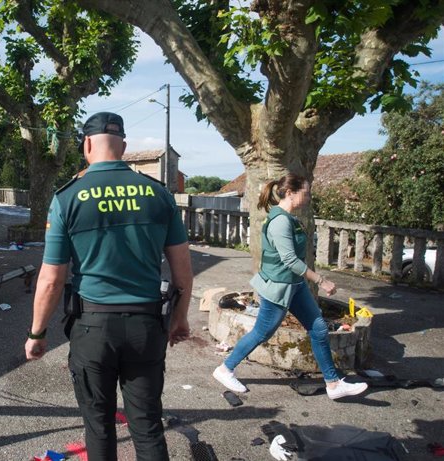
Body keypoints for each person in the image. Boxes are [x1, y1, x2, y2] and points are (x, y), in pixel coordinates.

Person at [24, 112, 193, 460]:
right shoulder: (159, 195)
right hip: (147, 327)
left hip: (93, 329)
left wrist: (38, 333)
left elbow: (52, 279)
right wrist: (179, 318)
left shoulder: (67, 198)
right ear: (124, 146)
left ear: (87, 144)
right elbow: (182, 273)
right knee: (146, 425)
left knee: (98, 426)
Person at [212, 173, 368, 400]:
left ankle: (333, 385)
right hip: (278, 287)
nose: (308, 197)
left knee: (319, 329)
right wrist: (321, 281)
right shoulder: (280, 222)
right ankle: (225, 369)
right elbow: (290, 261)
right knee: (262, 332)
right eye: (305, 193)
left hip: (295, 285)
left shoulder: (290, 218)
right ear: (290, 193)